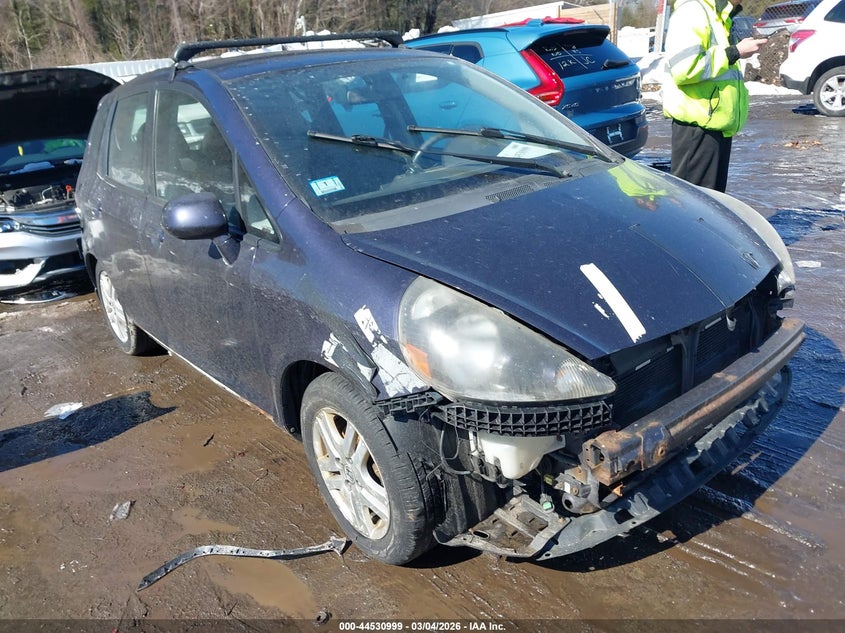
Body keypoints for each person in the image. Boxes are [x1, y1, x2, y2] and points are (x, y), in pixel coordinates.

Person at [662, 0, 768, 192]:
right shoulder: (693, 11)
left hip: (716, 125)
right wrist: (735, 52)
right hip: (697, 129)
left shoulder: (720, 16)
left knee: (711, 206)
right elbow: (683, 68)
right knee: (693, 207)